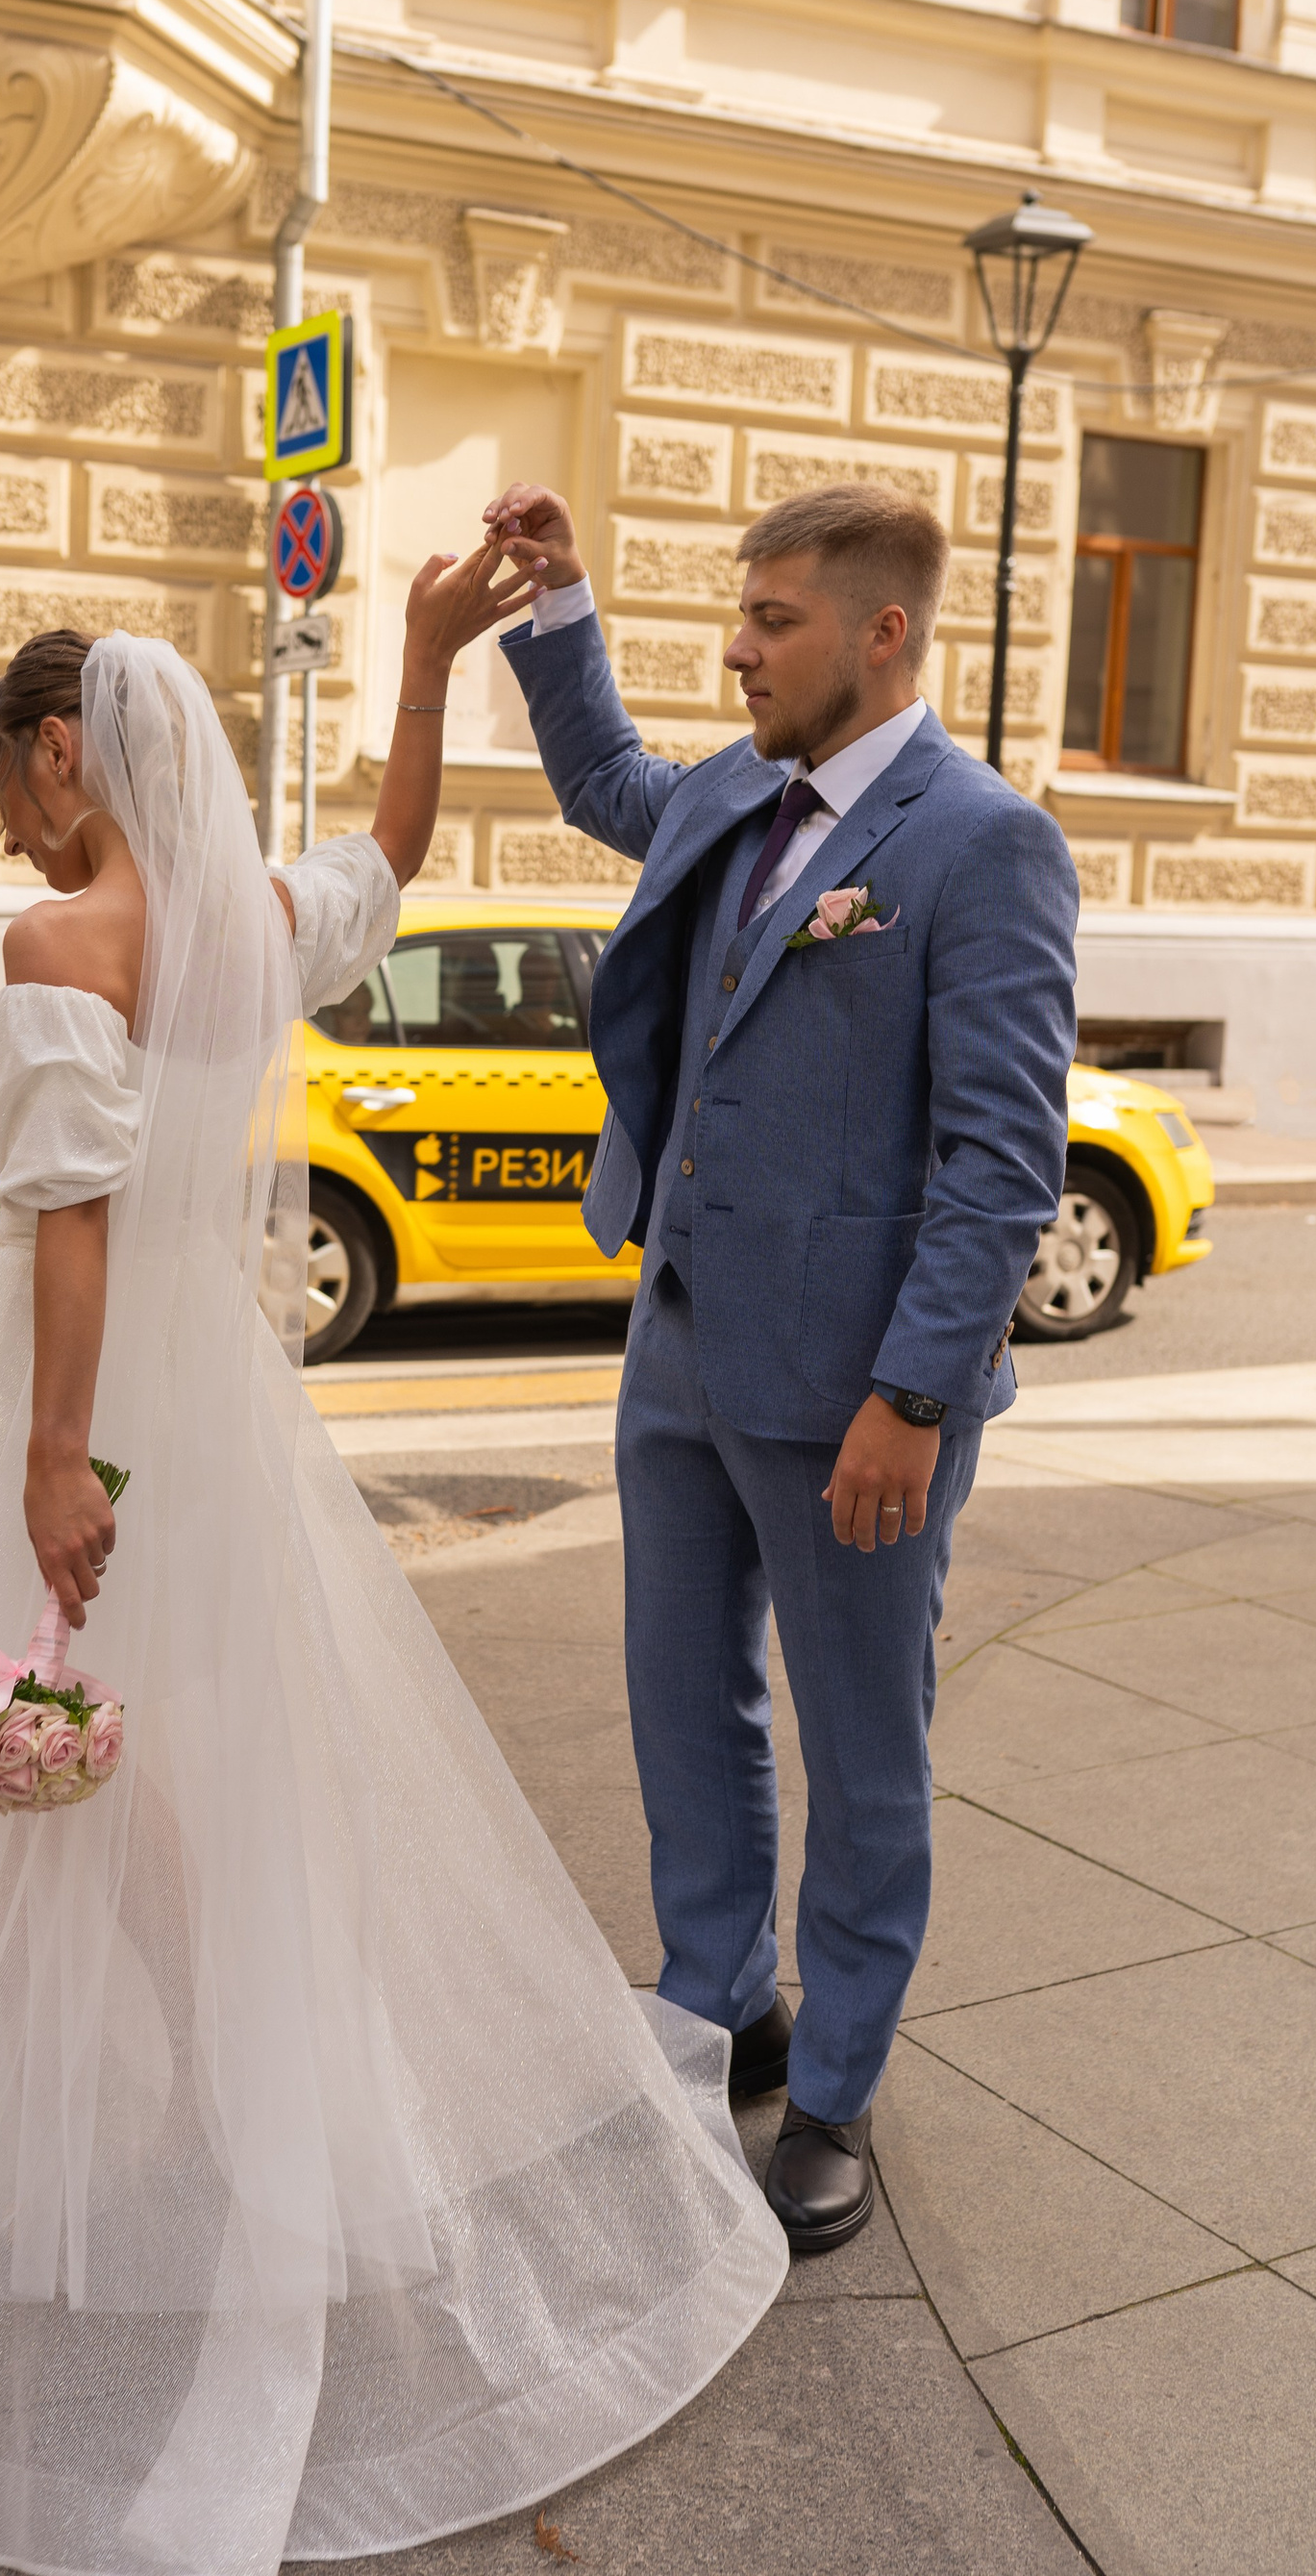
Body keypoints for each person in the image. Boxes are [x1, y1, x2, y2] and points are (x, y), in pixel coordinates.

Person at [0, 538, 787, 2576]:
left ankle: (188, 2111)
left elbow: (71, 1218)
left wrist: (56, 1456)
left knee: (57, 1748)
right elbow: (393, 851)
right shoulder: (246, 929)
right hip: (218, 1399)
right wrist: (420, 651)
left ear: (65, 751)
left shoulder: (66, 943)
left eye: (6, 794)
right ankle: (221, 2105)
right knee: (156, 1755)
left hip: (94, 1392)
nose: (11, 840)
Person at [485, 477, 1077, 2251]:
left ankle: (832, 2090)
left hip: (853, 1396)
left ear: (882, 633)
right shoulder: (737, 793)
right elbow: (607, 783)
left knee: (865, 1751)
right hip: (675, 1343)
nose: (738, 652)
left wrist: (914, 1398)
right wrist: (560, 607)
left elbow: (1001, 1161)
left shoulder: (983, 843)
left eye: (772, 621)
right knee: (684, 1707)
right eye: (739, 616)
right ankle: (718, 2006)